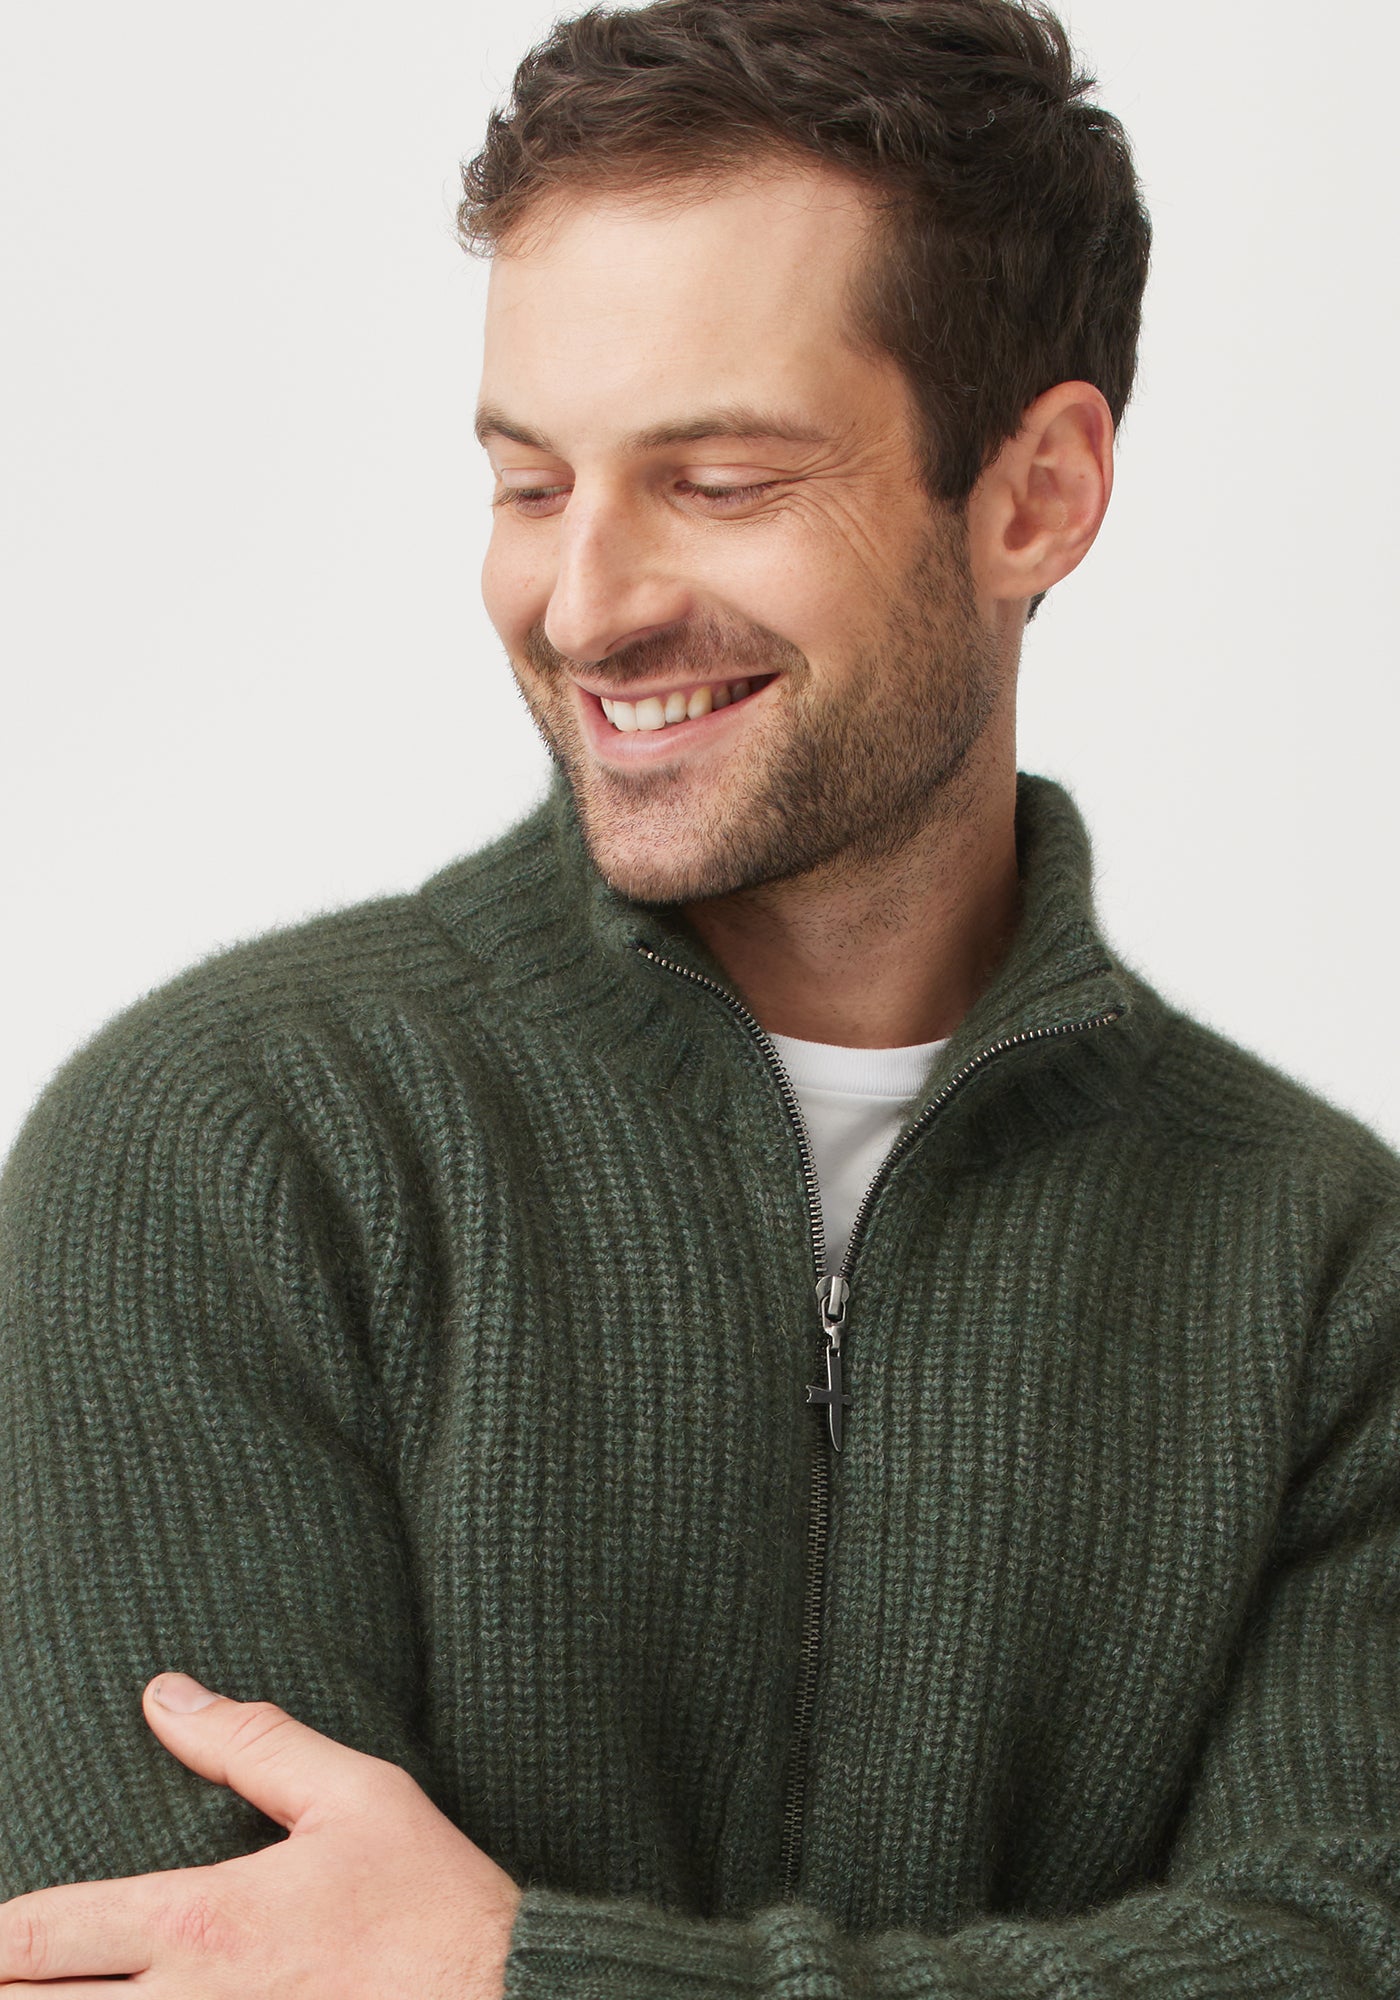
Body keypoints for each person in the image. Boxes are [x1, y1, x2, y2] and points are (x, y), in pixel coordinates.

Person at [2, 0, 1397, 1994]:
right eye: (529, 484)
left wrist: (528, 1973)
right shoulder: (227, 1156)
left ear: (1036, 494)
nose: (584, 604)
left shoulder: (1330, 1275)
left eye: (720, 480)